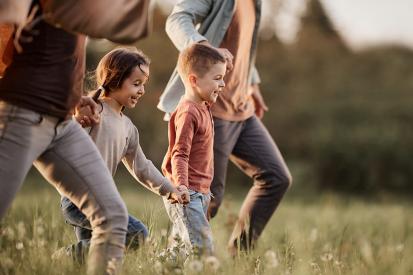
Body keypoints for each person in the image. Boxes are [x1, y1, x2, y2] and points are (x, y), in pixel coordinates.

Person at [0, 1, 150, 273]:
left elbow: (118, 26)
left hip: (62, 120)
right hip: (22, 113)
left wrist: (72, 97)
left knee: (113, 218)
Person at [158, 0, 293, 254]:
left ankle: (239, 255)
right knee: (206, 199)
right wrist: (204, 47)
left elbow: (243, 48)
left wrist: (252, 84)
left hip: (242, 109)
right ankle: (176, 262)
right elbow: (176, 19)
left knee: (276, 177)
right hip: (211, 112)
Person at [59, 47, 189, 261]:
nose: (142, 90)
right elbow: (65, 141)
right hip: (77, 199)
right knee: (136, 234)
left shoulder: (128, 128)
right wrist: (76, 117)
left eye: (143, 85)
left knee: (93, 259)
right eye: (136, 84)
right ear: (114, 79)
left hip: (100, 198)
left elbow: (142, 167)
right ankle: (64, 256)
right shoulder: (93, 112)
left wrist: (170, 190)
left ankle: (69, 259)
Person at [162, 43, 226, 256]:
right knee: (203, 252)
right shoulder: (188, 112)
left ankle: (157, 267)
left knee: (179, 252)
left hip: (201, 193)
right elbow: (179, 153)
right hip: (186, 193)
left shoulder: (204, 106)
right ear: (193, 80)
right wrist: (181, 186)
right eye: (217, 78)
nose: (223, 83)